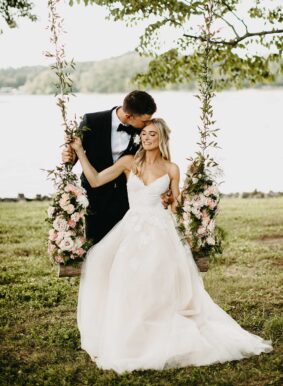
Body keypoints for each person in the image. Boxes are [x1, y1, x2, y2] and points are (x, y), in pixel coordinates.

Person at [69, 118, 272, 374]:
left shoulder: (172, 169)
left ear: (162, 138)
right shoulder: (128, 162)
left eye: (152, 134)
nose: (146, 138)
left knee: (157, 278)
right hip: (132, 226)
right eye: (143, 133)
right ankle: (130, 331)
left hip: (160, 230)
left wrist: (188, 196)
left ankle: (159, 329)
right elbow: (96, 180)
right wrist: (79, 152)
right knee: (110, 267)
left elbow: (176, 206)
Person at [62, 90, 163, 244]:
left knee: (125, 247)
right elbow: (75, 152)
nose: (147, 124)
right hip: (95, 196)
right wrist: (68, 157)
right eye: (144, 121)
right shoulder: (92, 121)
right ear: (129, 116)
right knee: (94, 246)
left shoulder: (144, 131)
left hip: (127, 198)